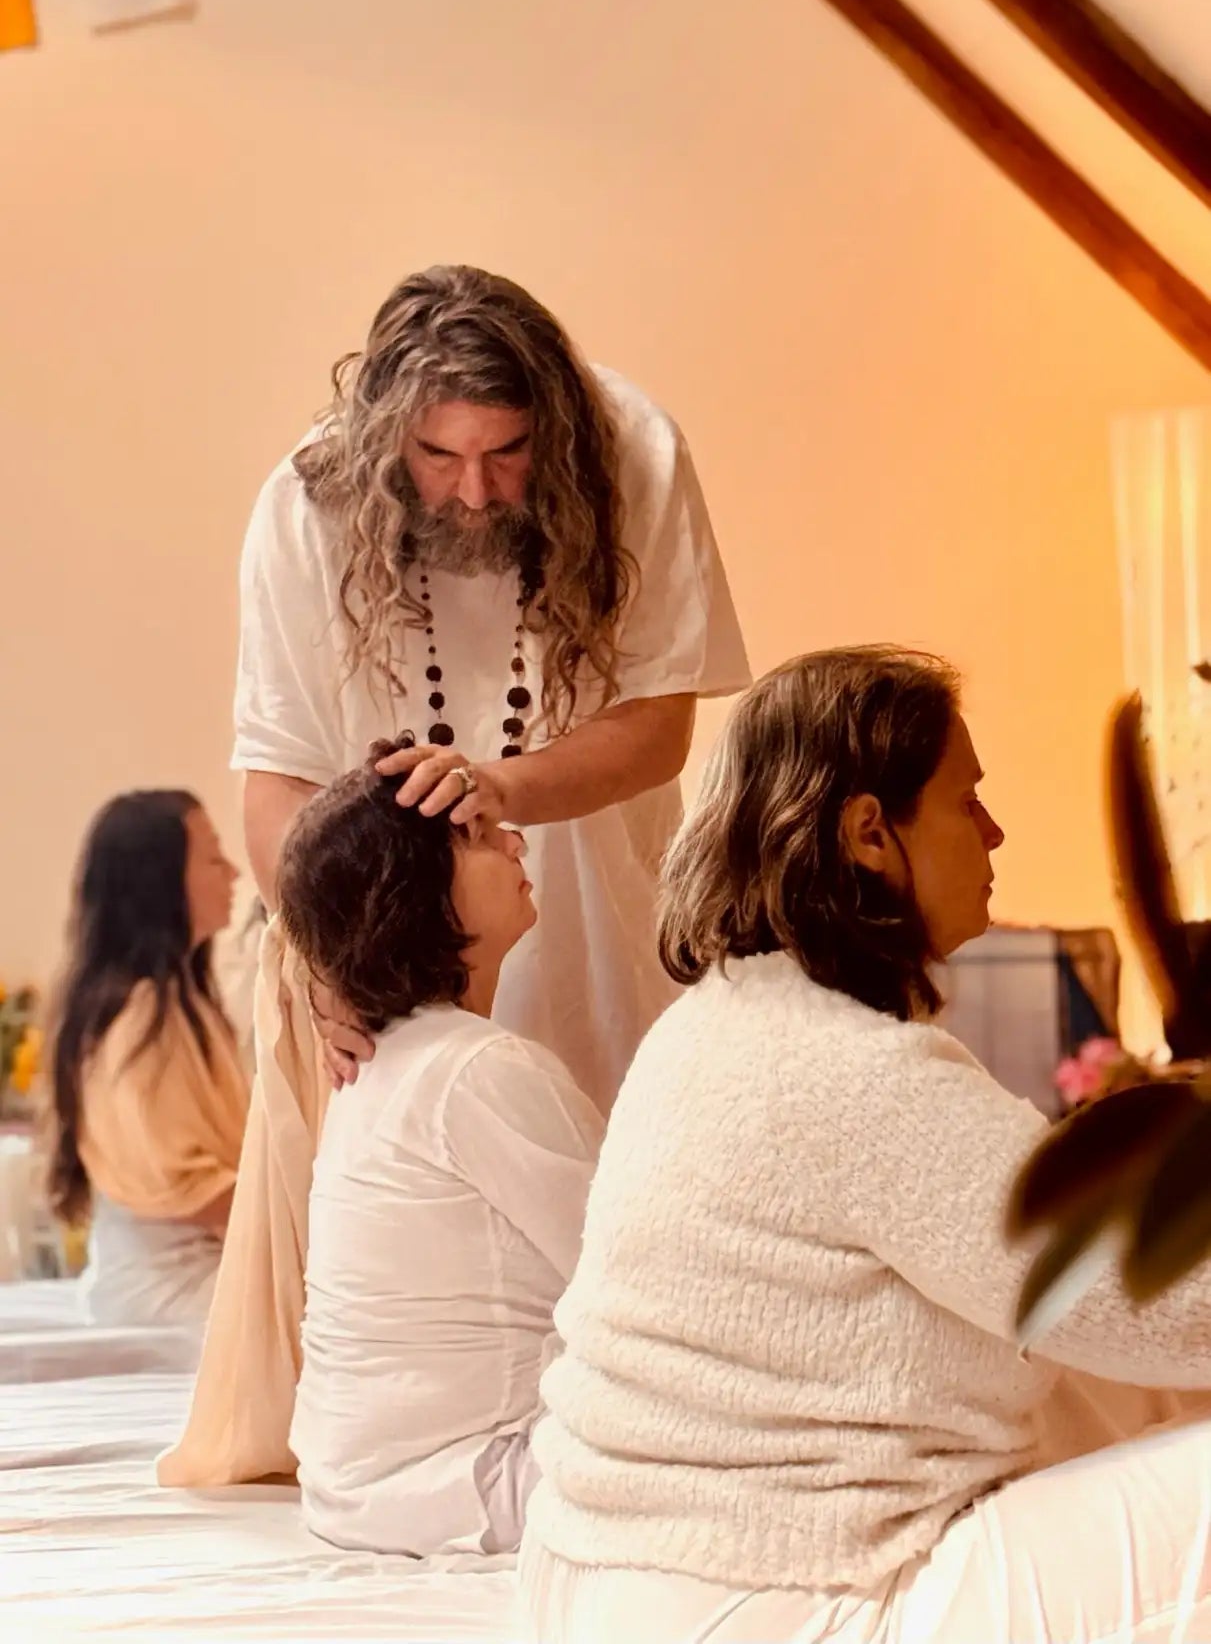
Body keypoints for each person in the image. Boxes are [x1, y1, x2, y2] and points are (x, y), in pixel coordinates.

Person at [160, 263, 747, 1486]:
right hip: (382, 928)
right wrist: (334, 960)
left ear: (562, 431)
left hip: (589, 892)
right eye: (438, 455)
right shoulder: (302, 500)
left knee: (596, 1183)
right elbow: (275, 779)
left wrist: (495, 792)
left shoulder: (635, 449)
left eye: (507, 452)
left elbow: (657, 728)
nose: (473, 490)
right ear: (383, 436)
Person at [522, 648, 1211, 1644]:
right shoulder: (844, 1070)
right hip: (777, 1599)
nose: (992, 832)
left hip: (629, 1580)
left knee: (1109, 1395)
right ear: (868, 833)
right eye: (965, 801)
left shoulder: (723, 1022)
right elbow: (1147, 1301)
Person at [279, 738, 602, 1557]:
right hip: (468, 1482)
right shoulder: (478, 1068)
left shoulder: (384, 1064)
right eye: (478, 836)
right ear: (415, 894)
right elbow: (636, 1280)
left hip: (358, 1489)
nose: (515, 841)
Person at [46, 792, 246, 1328]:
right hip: (164, 1288)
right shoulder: (137, 1018)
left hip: (205, 1265)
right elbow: (183, 1187)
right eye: (211, 857)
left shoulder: (185, 998)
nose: (233, 871)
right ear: (160, 882)